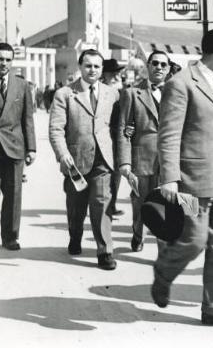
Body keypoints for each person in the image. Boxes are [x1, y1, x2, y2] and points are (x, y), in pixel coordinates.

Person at [152, 28, 213, 329]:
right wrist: (169, 177)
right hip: (192, 183)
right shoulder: (180, 84)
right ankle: (165, 271)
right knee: (193, 239)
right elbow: (169, 134)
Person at [49, 49, 120, 270]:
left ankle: (104, 250)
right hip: (75, 161)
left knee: (102, 204)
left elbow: (117, 127)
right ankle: (75, 235)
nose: (93, 70)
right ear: (80, 67)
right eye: (88, 66)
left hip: (103, 160)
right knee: (76, 207)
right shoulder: (65, 94)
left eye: (97, 67)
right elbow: (56, 129)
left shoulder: (112, 94)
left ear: (102, 69)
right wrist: (63, 154)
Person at [0, 43, 36, 250]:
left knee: (14, 193)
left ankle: (10, 237)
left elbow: (27, 118)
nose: (4, 63)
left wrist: (31, 148)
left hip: (15, 146)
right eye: (0, 59)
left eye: (8, 59)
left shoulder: (22, 85)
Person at [117, 50, 170, 252]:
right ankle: (138, 233)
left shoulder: (176, 93)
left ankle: (163, 246)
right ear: (147, 66)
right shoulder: (132, 93)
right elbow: (124, 130)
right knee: (141, 201)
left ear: (168, 69)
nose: (159, 67)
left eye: (163, 65)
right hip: (142, 158)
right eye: (155, 63)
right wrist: (125, 163)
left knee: (166, 202)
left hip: (168, 158)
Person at [101, 58, 126, 219]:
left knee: (116, 173)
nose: (117, 76)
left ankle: (112, 204)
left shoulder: (119, 91)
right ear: (105, 74)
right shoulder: (100, 90)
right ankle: (104, 205)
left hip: (116, 136)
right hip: (103, 136)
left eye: (118, 73)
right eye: (113, 73)